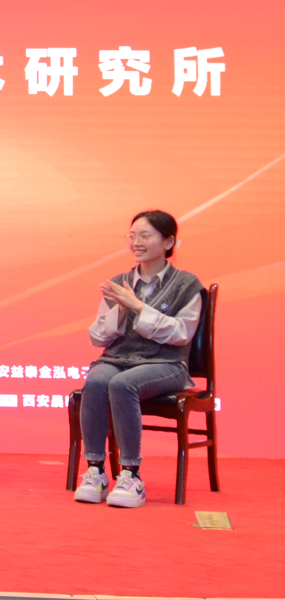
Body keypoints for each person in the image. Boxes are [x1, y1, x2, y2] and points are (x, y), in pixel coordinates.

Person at [75, 210, 203, 508]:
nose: (136, 242)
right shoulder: (120, 283)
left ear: (168, 242)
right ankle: (95, 470)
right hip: (118, 358)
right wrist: (121, 308)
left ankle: (131, 474)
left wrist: (138, 306)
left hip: (166, 364)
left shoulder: (187, 284)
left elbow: (181, 333)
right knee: (96, 381)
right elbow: (99, 337)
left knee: (122, 384)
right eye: (132, 236)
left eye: (145, 236)